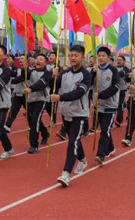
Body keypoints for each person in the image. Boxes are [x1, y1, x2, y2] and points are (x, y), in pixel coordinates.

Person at [50, 45, 91, 187]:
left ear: (82, 57)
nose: (73, 58)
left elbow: (79, 93)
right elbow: (53, 87)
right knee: (75, 140)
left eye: (76, 55)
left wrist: (60, 97)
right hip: (65, 112)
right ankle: (83, 160)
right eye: (71, 55)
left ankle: (66, 173)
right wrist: (53, 77)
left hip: (79, 114)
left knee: (72, 142)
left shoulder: (86, 75)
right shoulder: (65, 73)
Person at [91, 47, 119, 166]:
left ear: (108, 58)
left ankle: (100, 154)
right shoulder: (94, 69)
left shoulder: (113, 70)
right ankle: (110, 148)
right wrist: (93, 72)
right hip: (98, 105)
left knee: (104, 130)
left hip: (110, 105)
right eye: (99, 56)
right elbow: (87, 82)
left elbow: (116, 87)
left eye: (103, 56)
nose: (101, 58)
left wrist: (101, 95)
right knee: (104, 129)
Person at [23, 54, 51, 153]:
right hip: (31, 99)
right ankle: (45, 133)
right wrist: (24, 69)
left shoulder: (47, 74)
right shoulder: (31, 72)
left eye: (41, 59)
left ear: (45, 63)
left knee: (35, 121)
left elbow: (41, 84)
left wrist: (31, 89)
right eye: (37, 59)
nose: (38, 61)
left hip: (41, 99)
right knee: (32, 120)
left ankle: (34, 145)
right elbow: (23, 77)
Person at [5, 54, 26, 132]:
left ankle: (42, 131)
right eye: (20, 58)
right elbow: (13, 75)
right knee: (13, 110)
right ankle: (7, 126)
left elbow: (21, 78)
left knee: (31, 113)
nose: (20, 59)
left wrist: (11, 81)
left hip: (26, 94)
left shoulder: (30, 70)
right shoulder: (18, 69)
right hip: (17, 93)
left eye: (22, 58)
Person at [114, 55, 130, 127]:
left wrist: (113, 74)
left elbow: (120, 74)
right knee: (114, 105)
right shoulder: (114, 68)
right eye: (118, 60)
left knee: (120, 105)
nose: (118, 61)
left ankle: (119, 120)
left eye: (120, 60)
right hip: (114, 89)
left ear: (124, 61)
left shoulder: (126, 69)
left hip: (122, 89)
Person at [45, 52, 58, 127]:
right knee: (47, 105)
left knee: (53, 105)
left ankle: (53, 120)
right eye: (50, 55)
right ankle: (52, 117)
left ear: (56, 58)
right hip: (46, 89)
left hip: (54, 89)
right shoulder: (46, 66)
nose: (50, 56)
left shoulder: (57, 67)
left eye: (53, 55)